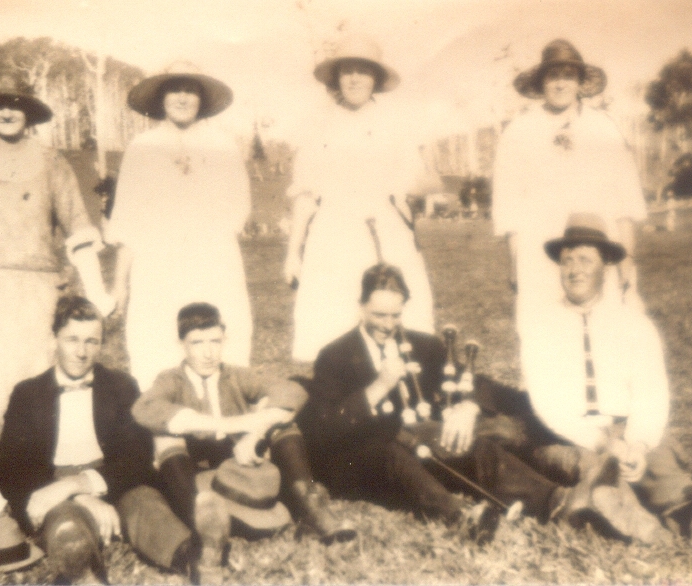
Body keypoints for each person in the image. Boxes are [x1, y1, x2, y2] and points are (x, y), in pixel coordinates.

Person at [296, 263, 613, 536]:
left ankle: (556, 502)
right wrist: (379, 386)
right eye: (379, 315)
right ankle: (458, 517)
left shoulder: (422, 345)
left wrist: (466, 407)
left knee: (469, 442)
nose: (388, 326)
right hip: (363, 459)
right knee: (393, 451)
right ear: (360, 306)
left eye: (396, 315)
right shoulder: (335, 355)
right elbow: (327, 427)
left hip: (420, 443)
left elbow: (470, 382)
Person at [517, 213, 692, 544]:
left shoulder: (633, 324)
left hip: (626, 430)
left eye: (585, 259)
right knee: (595, 469)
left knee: (659, 465)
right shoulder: (540, 325)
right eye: (567, 261)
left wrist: (637, 444)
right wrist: (604, 442)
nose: (574, 269)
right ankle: (643, 526)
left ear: (606, 264)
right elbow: (547, 404)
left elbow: (651, 393)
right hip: (571, 437)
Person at [0, 70, 114, 448]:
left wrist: (97, 293)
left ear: (29, 112)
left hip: (38, 285)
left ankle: (31, 436)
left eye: (15, 105)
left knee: (37, 367)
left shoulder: (52, 162)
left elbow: (77, 227)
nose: (6, 113)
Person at [0, 297, 203, 584]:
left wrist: (83, 484)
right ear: (54, 339)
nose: (81, 352)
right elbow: (12, 467)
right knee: (66, 525)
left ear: (101, 345)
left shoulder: (121, 386)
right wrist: (76, 494)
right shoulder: (28, 393)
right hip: (51, 484)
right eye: (72, 339)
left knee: (146, 505)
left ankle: (191, 560)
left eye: (91, 341)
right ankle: (81, 572)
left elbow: (137, 456)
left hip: (111, 478)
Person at [132, 303, 355, 576]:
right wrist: (232, 423)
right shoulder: (172, 380)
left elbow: (291, 390)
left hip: (242, 477)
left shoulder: (235, 375)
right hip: (195, 480)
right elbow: (145, 408)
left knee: (283, 423)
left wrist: (254, 433)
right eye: (197, 342)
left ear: (224, 338)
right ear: (181, 344)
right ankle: (202, 528)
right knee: (165, 437)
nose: (208, 352)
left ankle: (308, 504)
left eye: (215, 341)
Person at [284, 33, 438, 362]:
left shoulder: (396, 125)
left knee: (395, 317)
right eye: (347, 70)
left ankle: (401, 393)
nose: (354, 78)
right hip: (332, 235)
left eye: (363, 71)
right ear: (337, 77)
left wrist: (417, 192)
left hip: (385, 232)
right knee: (332, 322)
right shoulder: (318, 125)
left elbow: (417, 182)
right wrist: (293, 253)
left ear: (376, 79)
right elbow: (305, 194)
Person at [107, 61, 252, 388]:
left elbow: (236, 212)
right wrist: (120, 284)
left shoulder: (223, 146)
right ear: (161, 97)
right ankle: (164, 430)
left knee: (219, 339)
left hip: (213, 263)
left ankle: (222, 424)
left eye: (190, 90)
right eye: (175, 89)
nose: (183, 98)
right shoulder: (141, 148)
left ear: (202, 98)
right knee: (157, 343)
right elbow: (127, 221)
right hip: (158, 267)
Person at [492, 39, 647, 335]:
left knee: (603, 333)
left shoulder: (604, 127)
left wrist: (627, 263)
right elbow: (508, 208)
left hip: (597, 247)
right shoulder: (518, 132)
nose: (560, 84)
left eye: (568, 75)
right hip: (538, 252)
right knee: (544, 334)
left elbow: (626, 202)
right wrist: (514, 265)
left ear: (579, 81)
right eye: (553, 76)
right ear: (541, 83)